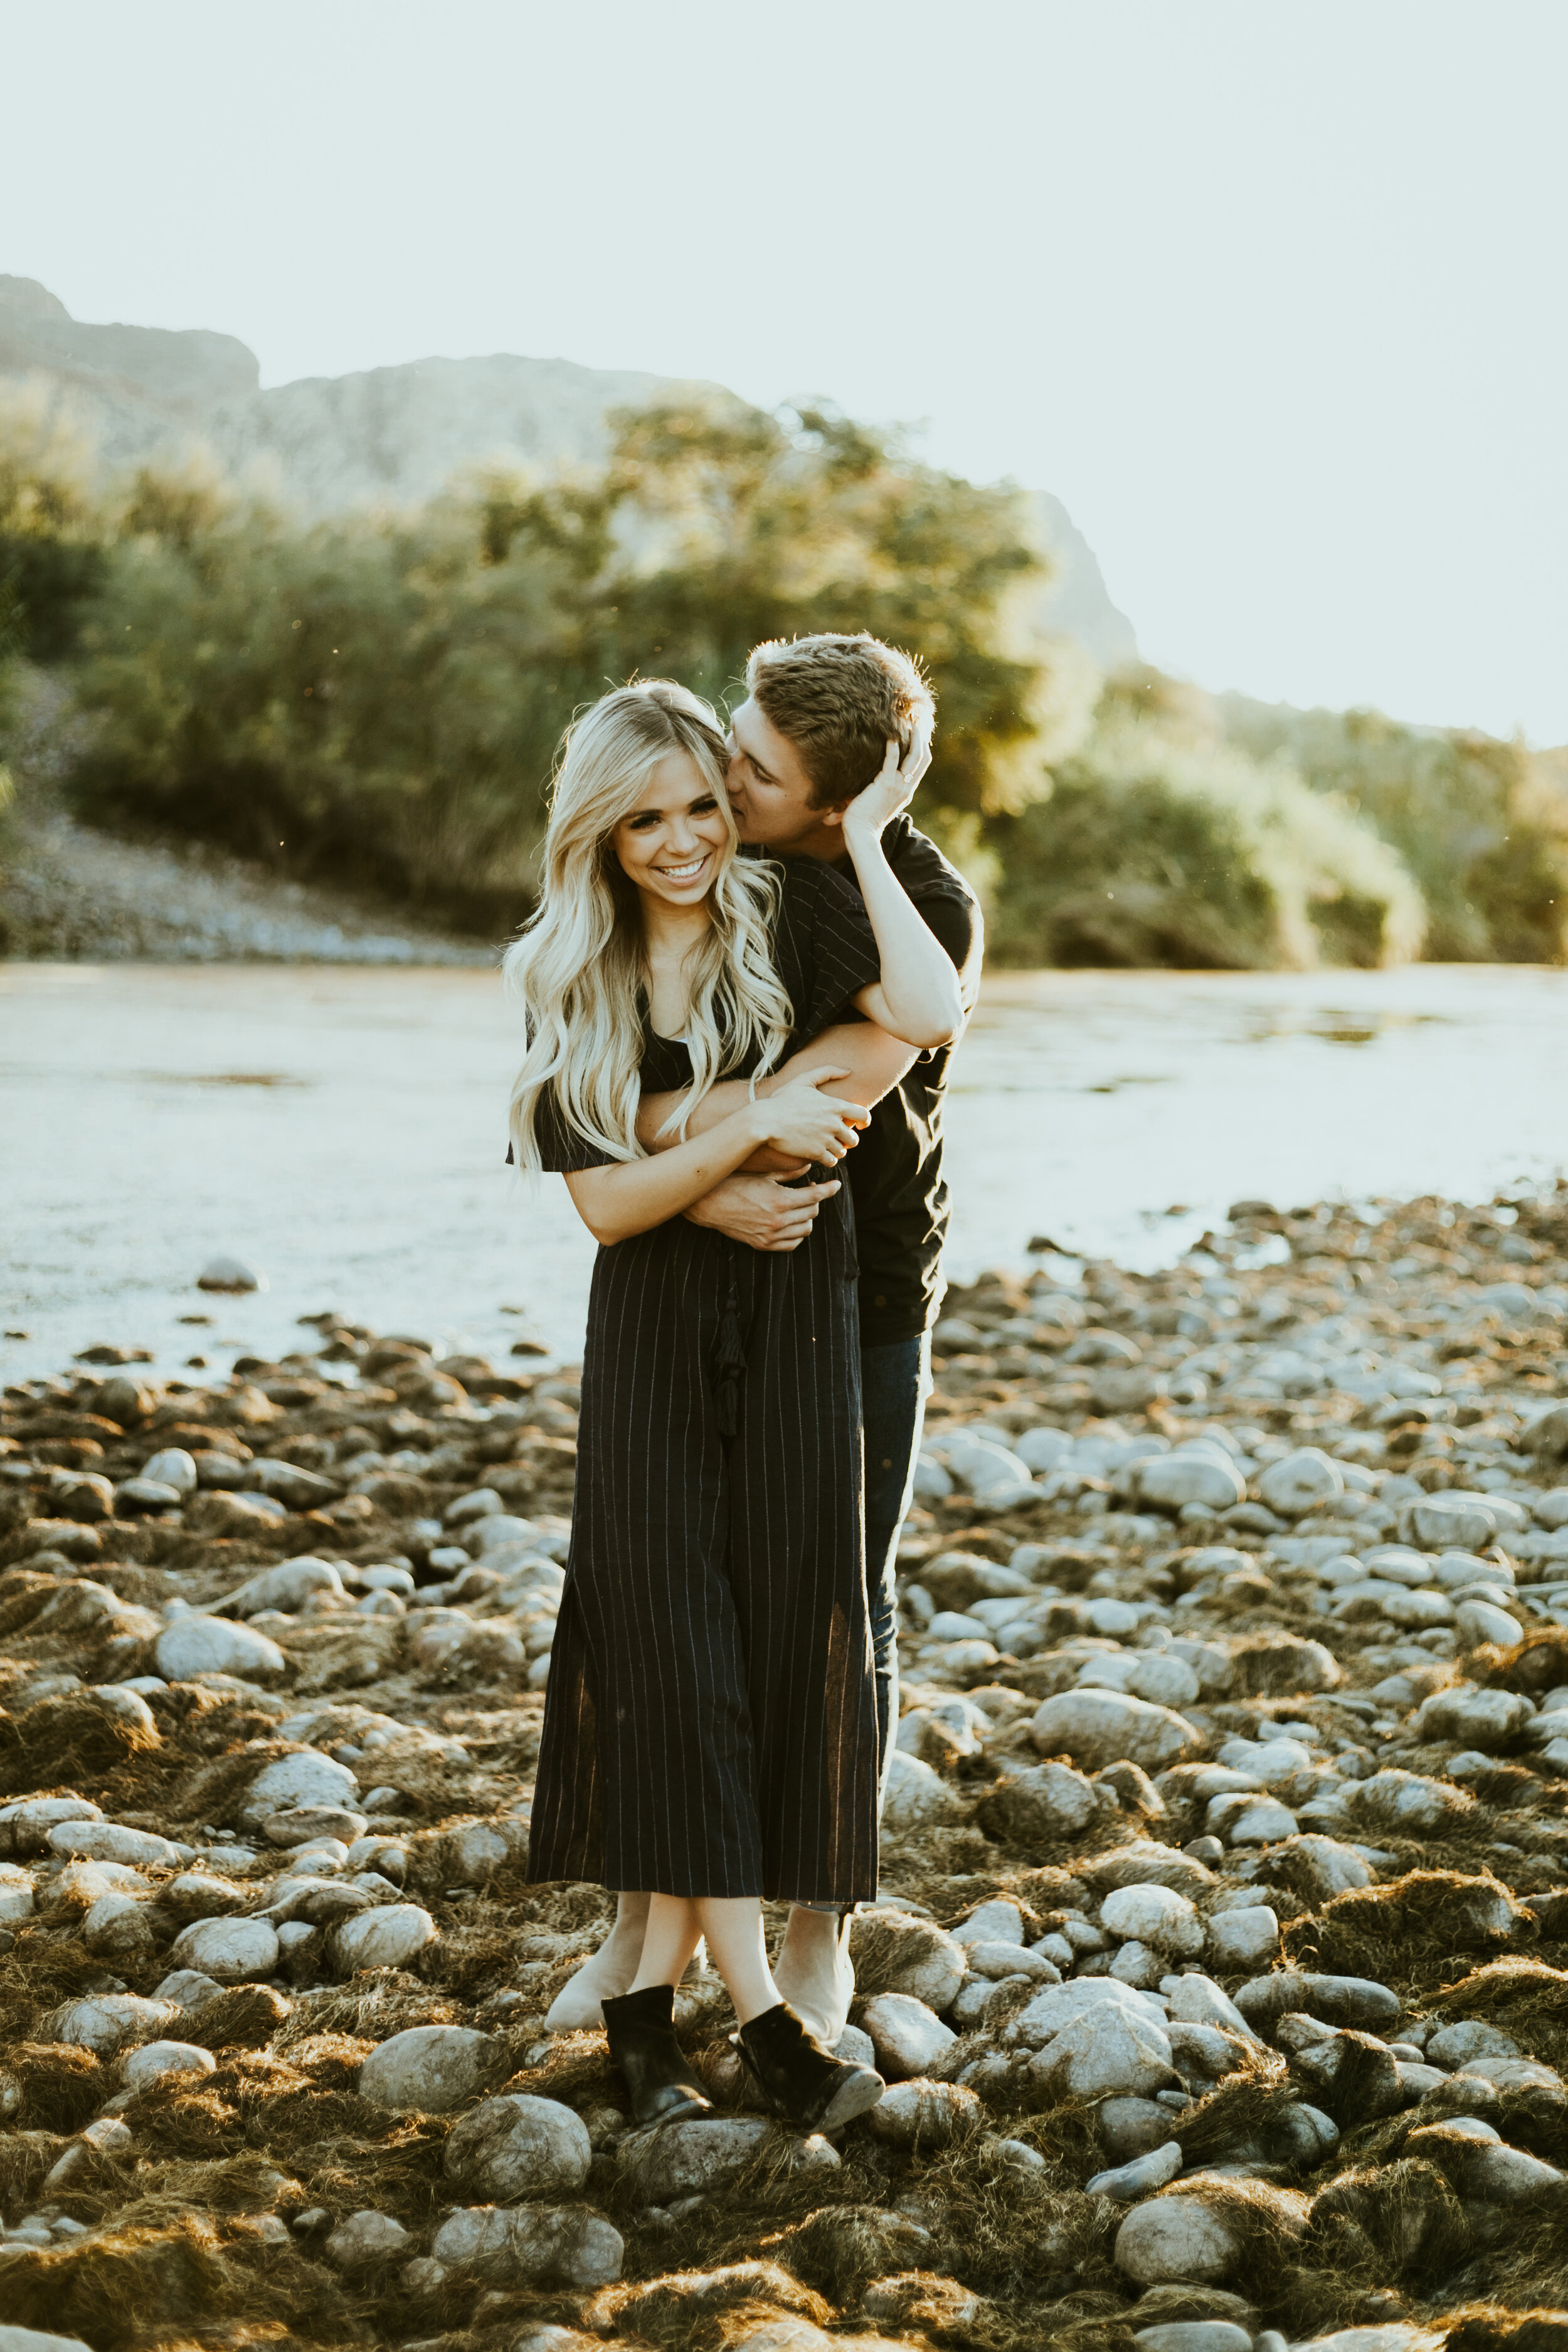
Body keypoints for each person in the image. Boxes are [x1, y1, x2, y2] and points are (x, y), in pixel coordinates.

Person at [509, 677, 963, 2132]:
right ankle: (738, 2012)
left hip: (801, 1314)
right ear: (598, 829)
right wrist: (728, 1147)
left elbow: (926, 1012)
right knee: (665, 1636)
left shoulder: (791, 906)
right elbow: (586, 1184)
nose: (689, 835)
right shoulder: (569, 967)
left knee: (796, 1608)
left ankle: (698, 1978)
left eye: (711, 799)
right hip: (652, 1313)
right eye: (646, 815)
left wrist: (878, 838)